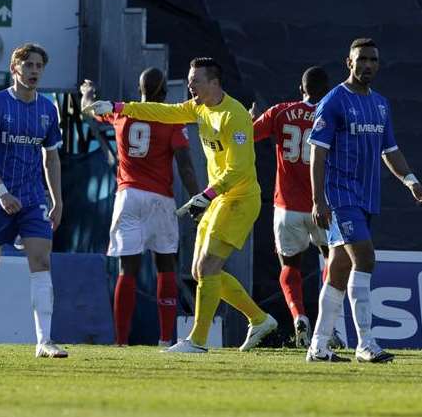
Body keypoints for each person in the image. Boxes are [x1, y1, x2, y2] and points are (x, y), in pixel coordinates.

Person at [85, 57, 277, 353]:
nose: (190, 85)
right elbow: (162, 112)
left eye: (196, 81)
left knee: (207, 265)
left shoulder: (234, 115)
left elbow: (239, 169)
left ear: (214, 83)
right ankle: (260, 319)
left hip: (239, 199)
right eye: (189, 80)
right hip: (219, 198)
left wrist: (208, 194)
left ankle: (197, 342)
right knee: (202, 272)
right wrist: (120, 107)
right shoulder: (197, 107)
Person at [306, 38, 422, 363]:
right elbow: (317, 151)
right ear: (349, 62)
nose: (367, 65)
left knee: (339, 270)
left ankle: (318, 346)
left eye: (373, 60)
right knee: (366, 259)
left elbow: (391, 151)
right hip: (340, 196)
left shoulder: (381, 105)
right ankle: (365, 343)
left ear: (378, 65)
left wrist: (411, 181)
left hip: (366, 196)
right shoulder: (333, 102)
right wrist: (318, 200)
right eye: (362, 60)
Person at [80, 69, 200, 347]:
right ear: (165, 94)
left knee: (127, 269)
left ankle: (121, 341)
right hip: (160, 198)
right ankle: (164, 339)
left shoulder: (123, 112)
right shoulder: (172, 118)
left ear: (139, 88)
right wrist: (197, 198)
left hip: (129, 195)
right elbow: (185, 164)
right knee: (165, 265)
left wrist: (87, 93)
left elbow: (88, 110)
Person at [0, 43, 66, 358]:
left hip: (33, 198)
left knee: (42, 262)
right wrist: (2, 192)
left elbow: (51, 159)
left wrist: (57, 200)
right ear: (15, 69)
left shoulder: (48, 109)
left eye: (39, 66)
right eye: (29, 65)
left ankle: (44, 341)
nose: (34, 71)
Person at [251, 66, 341, 348]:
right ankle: (328, 328)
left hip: (286, 207)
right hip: (323, 205)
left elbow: (249, 136)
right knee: (332, 261)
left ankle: (298, 315)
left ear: (300, 89)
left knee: (290, 264)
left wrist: (249, 118)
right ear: (326, 90)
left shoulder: (280, 111)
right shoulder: (333, 115)